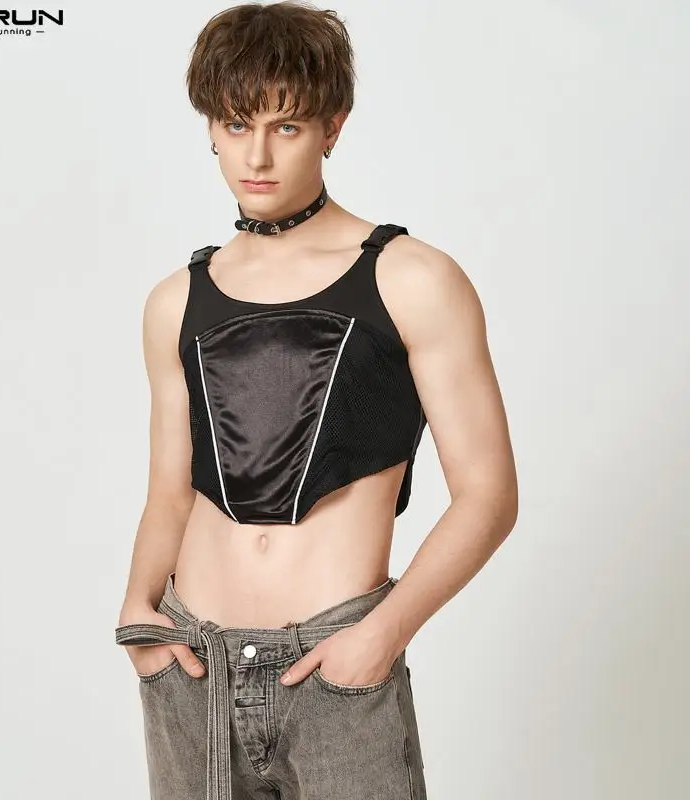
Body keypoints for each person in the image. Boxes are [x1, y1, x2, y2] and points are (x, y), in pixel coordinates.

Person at [114, 2, 518, 798]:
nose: (256, 155)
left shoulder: (412, 278)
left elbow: (489, 496)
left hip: (335, 667)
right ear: (210, 128)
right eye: (236, 125)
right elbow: (169, 489)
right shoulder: (175, 301)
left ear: (333, 127)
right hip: (193, 665)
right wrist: (139, 608)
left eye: (287, 127)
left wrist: (382, 634)